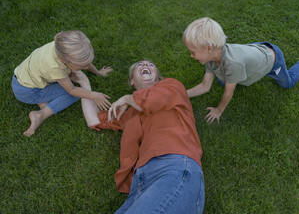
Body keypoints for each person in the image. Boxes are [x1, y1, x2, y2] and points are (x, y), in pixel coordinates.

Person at [74, 60, 205, 214]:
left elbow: (151, 101)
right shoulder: (128, 113)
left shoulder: (173, 87)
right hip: (141, 181)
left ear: (158, 77)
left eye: (151, 65)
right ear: (132, 81)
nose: (145, 66)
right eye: (139, 65)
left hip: (175, 166)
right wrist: (85, 85)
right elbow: (93, 120)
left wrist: (128, 98)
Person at [183, 17, 299, 123]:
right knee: (224, 80)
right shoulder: (212, 57)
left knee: (288, 83)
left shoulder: (233, 64)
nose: (191, 55)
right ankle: (242, 72)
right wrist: (182, 94)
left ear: (209, 48)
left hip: (272, 60)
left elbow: (228, 93)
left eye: (193, 52)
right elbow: (205, 86)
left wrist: (219, 110)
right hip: (254, 52)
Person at [11, 30, 112, 136]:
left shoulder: (61, 48)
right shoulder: (55, 67)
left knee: (75, 87)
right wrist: (93, 95)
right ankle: (41, 114)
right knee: (76, 94)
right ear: (66, 61)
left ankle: (43, 101)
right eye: (82, 66)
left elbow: (85, 64)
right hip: (27, 91)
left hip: (23, 79)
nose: (86, 67)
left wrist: (98, 72)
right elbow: (72, 90)